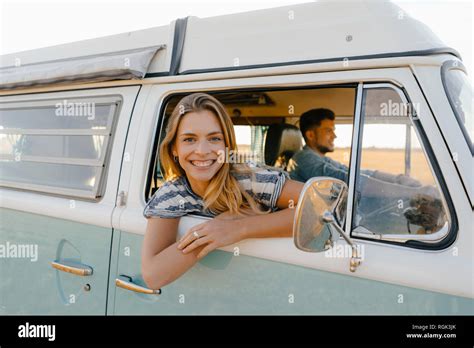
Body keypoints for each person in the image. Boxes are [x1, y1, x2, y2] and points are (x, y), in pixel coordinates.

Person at [141, 93, 303, 290]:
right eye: (189, 139)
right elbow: (153, 275)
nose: (202, 150)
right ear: (174, 148)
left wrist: (239, 228)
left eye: (214, 138)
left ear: (227, 146)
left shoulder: (250, 178)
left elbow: (322, 207)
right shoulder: (172, 194)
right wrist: (218, 227)